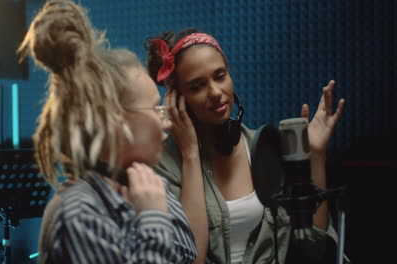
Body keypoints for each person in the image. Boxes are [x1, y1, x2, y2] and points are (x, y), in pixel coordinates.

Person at [144, 29, 345, 263]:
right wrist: (190, 154)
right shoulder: (163, 167)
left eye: (220, 76)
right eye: (197, 86)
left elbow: (315, 248)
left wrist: (316, 155)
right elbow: (189, 258)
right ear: (177, 99)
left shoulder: (264, 148)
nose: (216, 92)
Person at [18, 1, 197, 263]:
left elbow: (188, 256)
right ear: (115, 119)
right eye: (154, 109)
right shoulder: (78, 212)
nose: (166, 122)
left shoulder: (152, 184)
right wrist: (153, 218)